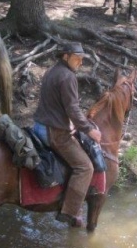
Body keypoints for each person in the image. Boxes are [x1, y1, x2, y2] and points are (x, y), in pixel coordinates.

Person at [33, 42, 102, 228]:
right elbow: (72, 109)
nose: (80, 62)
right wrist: (89, 129)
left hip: (38, 126)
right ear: (65, 56)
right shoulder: (67, 76)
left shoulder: (52, 71)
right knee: (85, 167)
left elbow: (58, 106)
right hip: (54, 132)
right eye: (77, 58)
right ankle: (69, 212)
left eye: (82, 59)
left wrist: (72, 124)